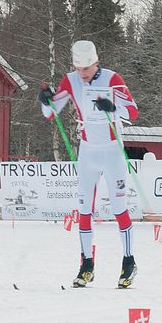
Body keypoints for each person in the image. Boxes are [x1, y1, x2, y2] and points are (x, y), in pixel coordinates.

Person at [38, 40, 139, 288]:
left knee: (118, 207)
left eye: (88, 68)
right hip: (88, 153)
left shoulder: (113, 78)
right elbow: (50, 113)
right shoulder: (70, 80)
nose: (83, 74)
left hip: (112, 151)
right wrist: (44, 99)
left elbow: (133, 111)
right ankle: (86, 266)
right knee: (84, 210)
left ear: (96, 61)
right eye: (79, 68)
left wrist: (113, 108)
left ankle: (129, 263)